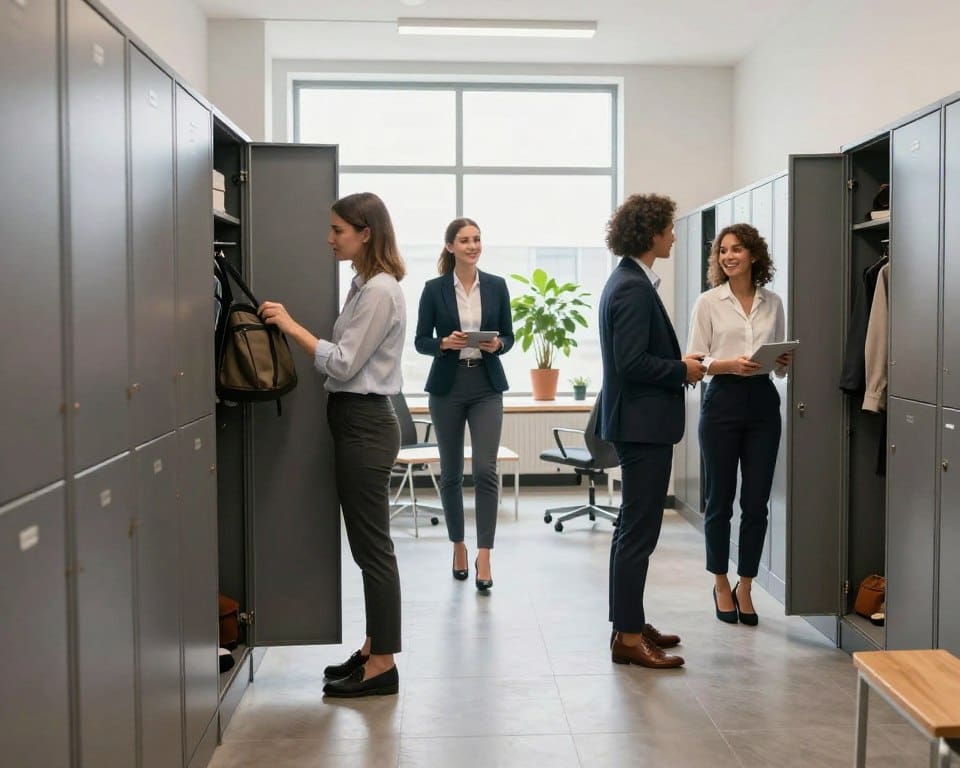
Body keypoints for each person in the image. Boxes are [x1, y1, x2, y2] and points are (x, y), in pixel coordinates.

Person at [258, 192, 406, 698]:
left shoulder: (381, 291)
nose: (329, 238)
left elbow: (343, 363)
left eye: (338, 230)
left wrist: (290, 324)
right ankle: (372, 648)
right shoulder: (362, 286)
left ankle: (383, 663)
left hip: (366, 422)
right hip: (352, 419)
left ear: (366, 233)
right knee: (367, 547)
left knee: (373, 549)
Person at [596, 193, 706, 669]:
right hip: (642, 425)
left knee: (632, 529)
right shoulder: (631, 287)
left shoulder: (630, 280)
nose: (674, 235)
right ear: (651, 233)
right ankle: (627, 636)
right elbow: (632, 363)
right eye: (669, 227)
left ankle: (631, 622)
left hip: (639, 422)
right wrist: (682, 369)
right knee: (638, 532)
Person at [687, 222, 792, 626]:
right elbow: (696, 360)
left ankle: (745, 584)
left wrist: (782, 363)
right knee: (720, 500)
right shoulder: (709, 302)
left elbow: (779, 367)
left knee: (756, 502)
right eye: (722, 251)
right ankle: (719, 581)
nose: (728, 256)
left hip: (764, 401)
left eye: (736, 249)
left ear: (753, 255)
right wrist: (727, 364)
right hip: (722, 400)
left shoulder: (773, 302)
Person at [414, 218, 514, 592]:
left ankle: (484, 553)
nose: (473, 246)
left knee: (486, 470)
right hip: (447, 387)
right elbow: (421, 341)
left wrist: (498, 344)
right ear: (450, 247)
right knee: (452, 472)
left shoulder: (497, 286)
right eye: (464, 240)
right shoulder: (434, 289)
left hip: (486, 385)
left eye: (477, 239)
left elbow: (509, 335)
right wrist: (444, 343)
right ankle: (458, 545)